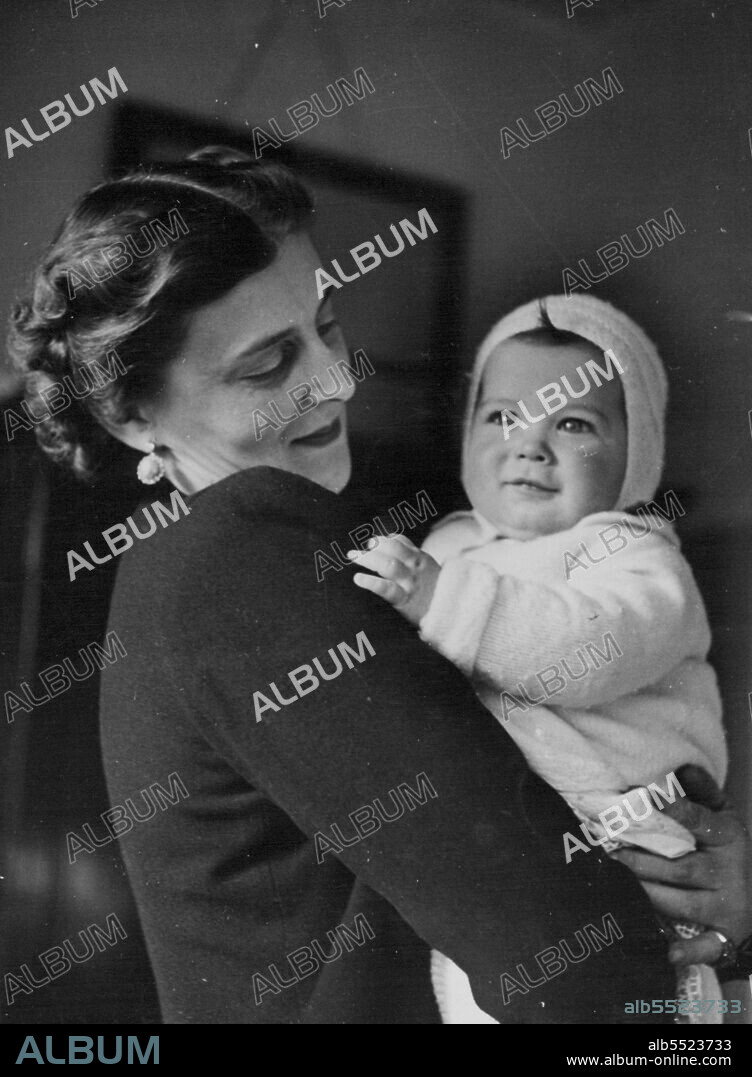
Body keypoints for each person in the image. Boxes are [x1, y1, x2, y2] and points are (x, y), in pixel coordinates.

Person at [8, 148, 752, 1024]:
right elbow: (560, 944)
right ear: (135, 416)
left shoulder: (284, 552)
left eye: (326, 324)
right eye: (266, 365)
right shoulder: (232, 549)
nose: (335, 378)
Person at [348, 294, 750, 1023]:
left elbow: (588, 648)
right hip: (496, 849)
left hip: (632, 840)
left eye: (572, 422)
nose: (530, 444)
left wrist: (444, 604)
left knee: (638, 1005)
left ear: (637, 454)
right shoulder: (446, 549)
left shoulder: (637, 555)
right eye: (501, 415)